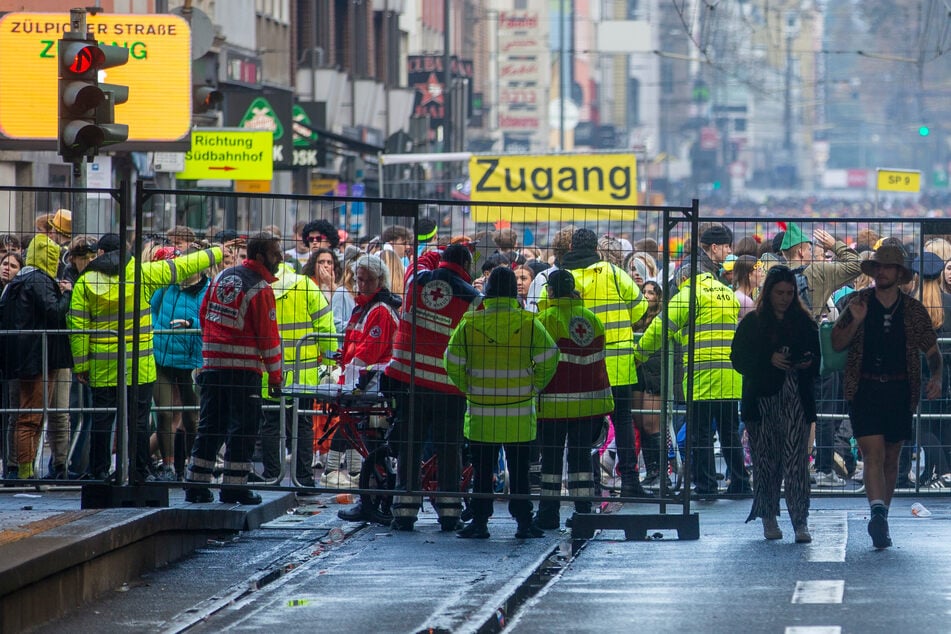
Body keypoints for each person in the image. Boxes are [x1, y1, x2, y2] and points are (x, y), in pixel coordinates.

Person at [69, 233, 223, 483]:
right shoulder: (144, 274)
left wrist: (81, 364)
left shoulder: (85, 281)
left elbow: (78, 325)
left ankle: (98, 470)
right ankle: (140, 470)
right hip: (139, 364)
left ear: (99, 254)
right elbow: (184, 265)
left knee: (102, 419)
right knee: (138, 420)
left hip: (101, 363)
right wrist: (217, 252)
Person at [831, 244, 942, 549]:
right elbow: (837, 342)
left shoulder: (914, 310)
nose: (881, 271)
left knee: (892, 456)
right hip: (863, 387)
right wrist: (854, 319)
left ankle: (882, 514)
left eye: (888, 267)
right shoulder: (857, 301)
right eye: (878, 266)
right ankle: (877, 510)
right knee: (873, 453)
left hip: (901, 388)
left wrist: (937, 377)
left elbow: (932, 351)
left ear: (899, 273)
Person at [445, 267, 559, 539]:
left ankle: (480, 522)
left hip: (482, 411)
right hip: (519, 412)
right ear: (512, 291)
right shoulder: (530, 323)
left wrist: (469, 386)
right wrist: (534, 385)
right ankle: (523, 522)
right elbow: (550, 357)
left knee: (483, 471)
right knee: (519, 473)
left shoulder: (470, 323)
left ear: (487, 290)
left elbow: (451, 362)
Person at [385, 243, 482, 531]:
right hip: (448, 386)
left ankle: (404, 511)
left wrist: (440, 249)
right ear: (466, 264)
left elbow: (418, 260)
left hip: (409, 379)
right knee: (449, 448)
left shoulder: (416, 280)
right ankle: (450, 513)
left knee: (409, 445)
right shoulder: (473, 298)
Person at [184, 232, 284, 504]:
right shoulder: (260, 289)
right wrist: (276, 377)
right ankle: (234, 487)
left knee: (210, 426)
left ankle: (196, 483)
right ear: (261, 256)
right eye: (276, 253)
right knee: (244, 429)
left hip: (213, 366)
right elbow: (269, 339)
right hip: (243, 372)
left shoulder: (221, 278)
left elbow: (204, 314)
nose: (280, 258)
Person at [635, 261, 750, 497]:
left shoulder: (688, 295)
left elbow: (660, 328)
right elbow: (702, 327)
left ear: (683, 279)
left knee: (701, 434)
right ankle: (740, 483)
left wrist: (640, 353)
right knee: (729, 433)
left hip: (703, 376)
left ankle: (706, 486)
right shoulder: (725, 293)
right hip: (729, 375)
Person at [731, 266, 820, 543]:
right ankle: (769, 517)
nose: (784, 298)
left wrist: (805, 362)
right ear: (768, 292)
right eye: (779, 293)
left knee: (797, 465)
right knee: (766, 464)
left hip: (796, 401)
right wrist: (768, 360)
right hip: (763, 403)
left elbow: (818, 361)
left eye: (789, 293)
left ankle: (800, 521)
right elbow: (738, 359)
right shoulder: (753, 323)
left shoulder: (805, 323)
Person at [562, 228, 648, 497]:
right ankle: (631, 482)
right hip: (619, 360)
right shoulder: (612, 272)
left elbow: (547, 312)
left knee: (586, 422)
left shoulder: (566, 277)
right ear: (597, 249)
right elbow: (640, 306)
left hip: (582, 364)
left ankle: (590, 482)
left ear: (571, 248)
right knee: (622, 421)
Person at [533, 269, 613, 529]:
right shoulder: (592, 319)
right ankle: (584, 511)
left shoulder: (546, 319)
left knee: (552, 461)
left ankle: (548, 513)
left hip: (555, 403)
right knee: (581, 461)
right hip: (589, 403)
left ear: (551, 291)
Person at [321, 254, 401, 491]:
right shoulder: (364, 308)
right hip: (362, 380)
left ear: (380, 281)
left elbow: (369, 352)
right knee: (360, 431)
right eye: (359, 279)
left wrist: (346, 377)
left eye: (367, 280)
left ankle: (367, 482)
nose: (362, 284)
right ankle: (366, 481)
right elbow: (355, 347)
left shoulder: (379, 311)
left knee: (365, 433)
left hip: (372, 383)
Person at [0, 225, 74, 480]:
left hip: (26, 357)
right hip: (37, 359)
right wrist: (66, 295)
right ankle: (24, 472)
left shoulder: (19, 281)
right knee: (30, 417)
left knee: (27, 415)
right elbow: (54, 312)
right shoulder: (39, 280)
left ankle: (24, 469)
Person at [259, 260, 336, 488]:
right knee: (303, 423)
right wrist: (331, 359)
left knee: (271, 422)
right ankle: (304, 478)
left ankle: (271, 477)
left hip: (269, 370)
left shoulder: (262, 287)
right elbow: (325, 325)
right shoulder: (305, 286)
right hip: (305, 371)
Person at [149, 246, 211, 481]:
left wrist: (192, 322)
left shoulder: (208, 289)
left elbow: (211, 318)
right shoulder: (167, 286)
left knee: (192, 418)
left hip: (192, 361)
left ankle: (194, 466)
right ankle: (168, 466)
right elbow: (151, 310)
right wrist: (157, 329)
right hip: (162, 357)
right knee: (163, 414)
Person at [631, 280, 667, 489]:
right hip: (638, 374)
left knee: (651, 423)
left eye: (651, 293)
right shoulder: (636, 320)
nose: (646, 296)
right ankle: (652, 468)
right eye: (644, 292)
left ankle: (661, 470)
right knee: (638, 419)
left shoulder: (660, 320)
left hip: (654, 375)